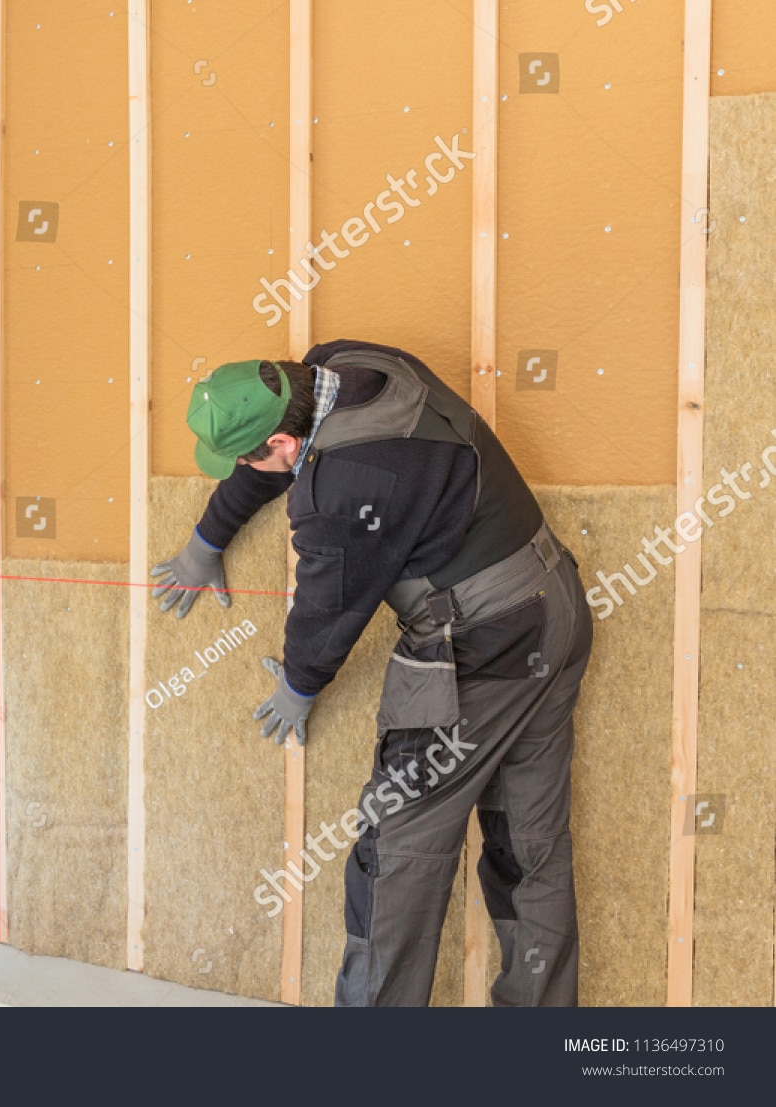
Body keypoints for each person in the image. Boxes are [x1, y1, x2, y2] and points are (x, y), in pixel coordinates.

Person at [151, 339, 594, 1007]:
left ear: (277, 438)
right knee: (526, 843)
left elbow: (329, 607)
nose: (245, 467)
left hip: (484, 647)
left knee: (396, 855)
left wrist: (299, 687)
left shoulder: (339, 491)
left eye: (247, 455)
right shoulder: (349, 364)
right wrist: (206, 540)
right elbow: (280, 457)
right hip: (553, 605)